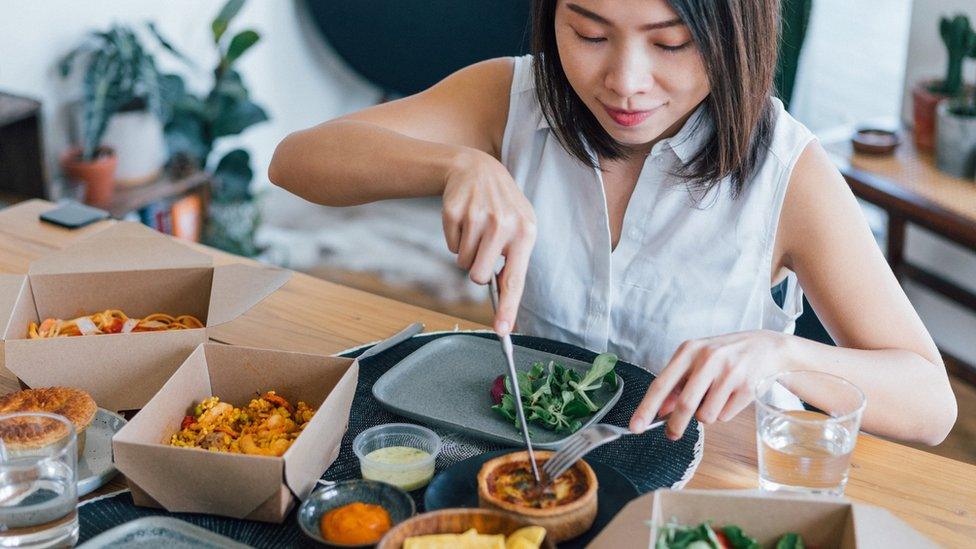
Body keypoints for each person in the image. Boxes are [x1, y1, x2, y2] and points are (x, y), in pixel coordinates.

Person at [269, 0, 956, 445]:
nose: (626, 82)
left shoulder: (786, 170)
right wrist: (453, 165)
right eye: (589, 32)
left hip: (704, 495)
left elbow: (931, 405)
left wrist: (783, 354)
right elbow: (296, 161)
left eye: (671, 43)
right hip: (535, 468)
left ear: (731, 32)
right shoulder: (512, 98)